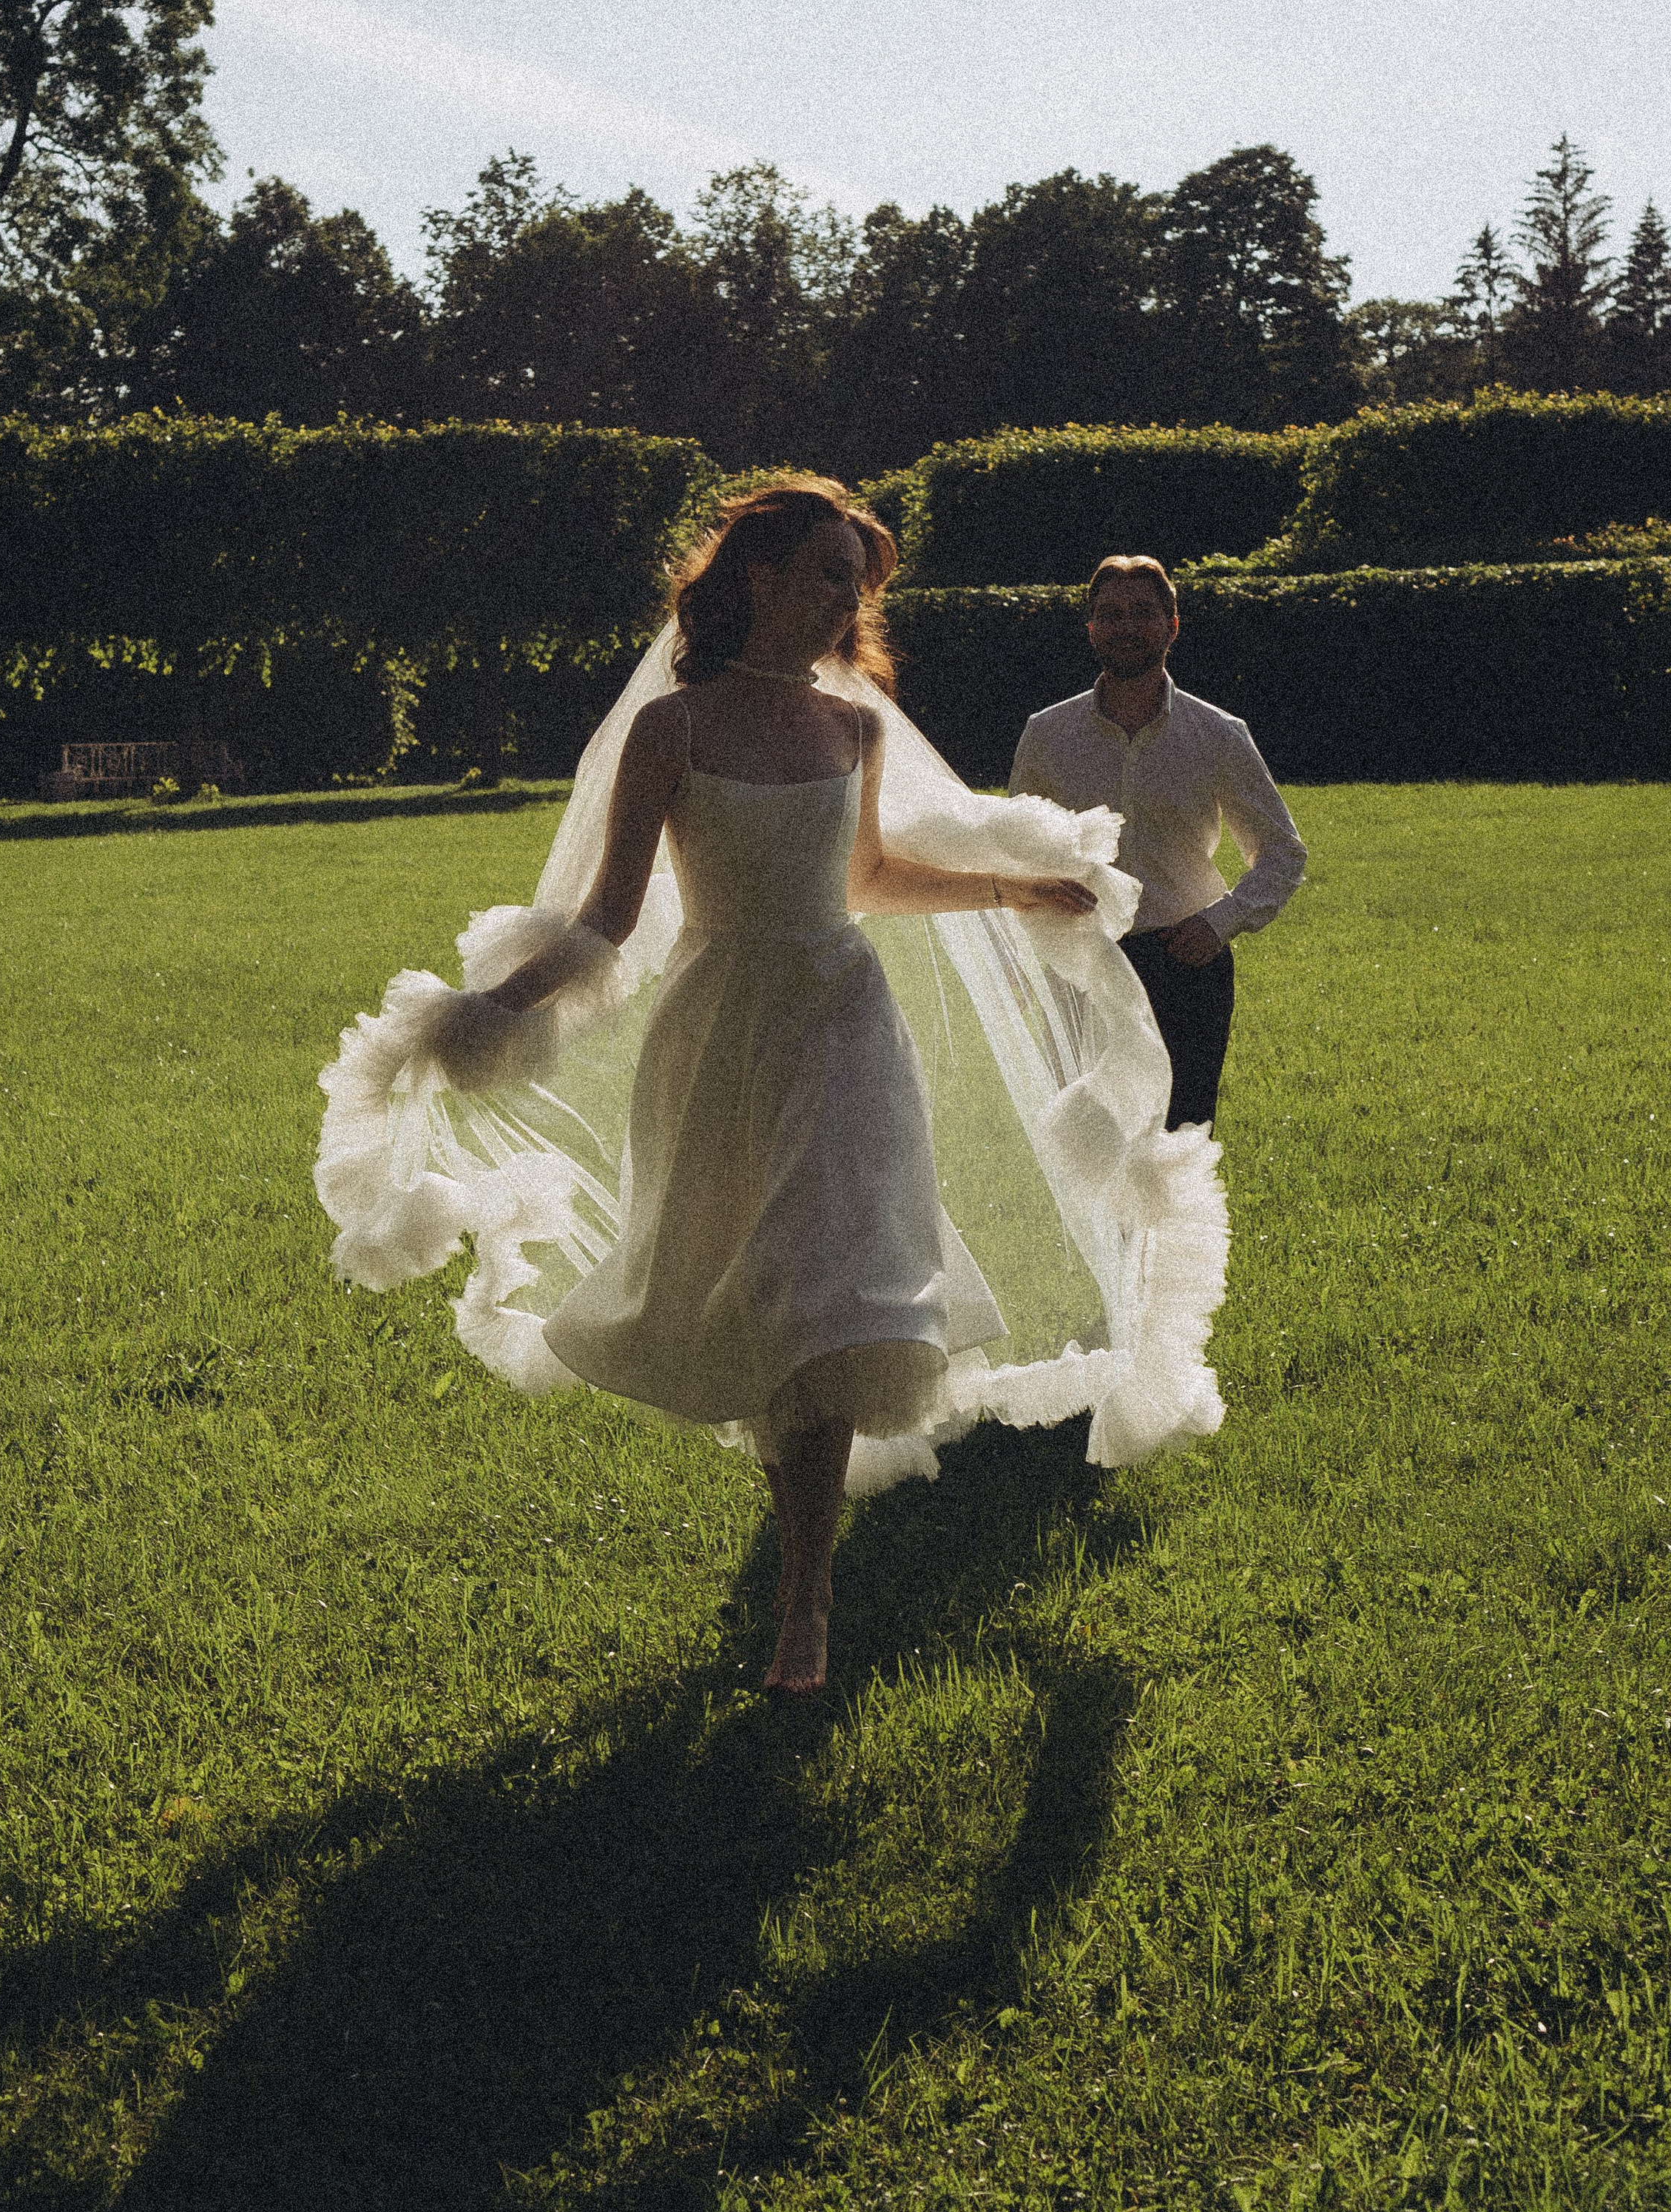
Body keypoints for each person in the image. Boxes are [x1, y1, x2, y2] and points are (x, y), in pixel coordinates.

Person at [317, 488, 1232, 1700]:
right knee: (757, 1296)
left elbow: (870, 878)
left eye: (856, 579)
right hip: (721, 1032)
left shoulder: (851, 729)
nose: (845, 599)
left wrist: (1012, 889)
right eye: (824, 571)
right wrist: (488, 1012)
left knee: (835, 1286)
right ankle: (800, 1554)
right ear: (754, 575)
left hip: (847, 1027)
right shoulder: (673, 728)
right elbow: (608, 918)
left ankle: (807, 1600)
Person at [1009, 554, 1305, 1132]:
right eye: (1110, 614)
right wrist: (1022, 961)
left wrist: (1220, 922)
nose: (1126, 627)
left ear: (1172, 625)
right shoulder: (1047, 734)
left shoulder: (1219, 734)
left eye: (1143, 613)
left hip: (1186, 963)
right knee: (1085, 1138)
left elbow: (1281, 852)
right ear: (1091, 628)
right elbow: (1020, 853)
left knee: (1178, 1140)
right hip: (1082, 963)